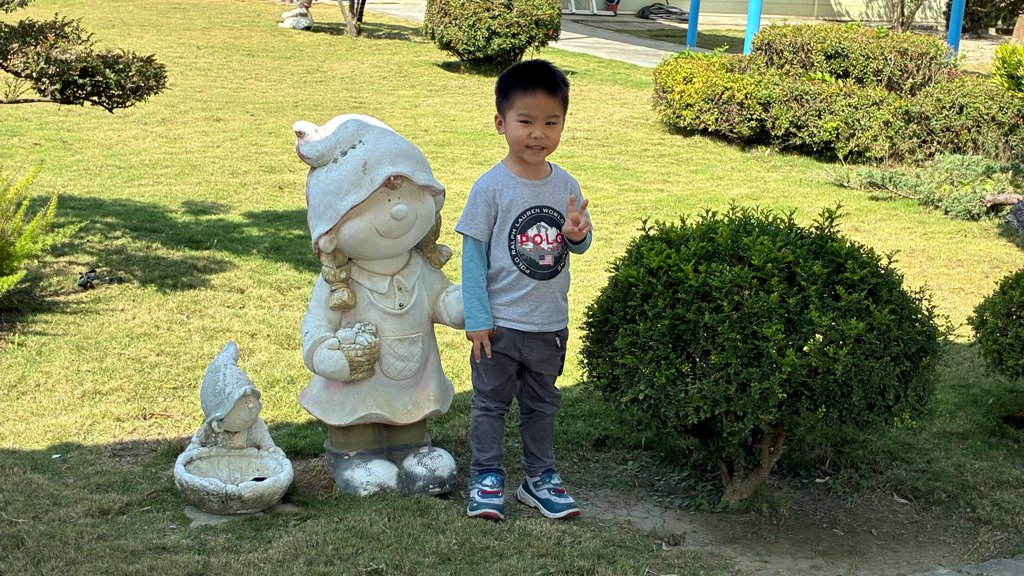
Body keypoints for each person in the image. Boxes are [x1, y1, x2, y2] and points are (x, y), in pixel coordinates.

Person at [454, 59, 593, 521]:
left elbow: (579, 241)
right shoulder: (490, 188)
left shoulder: (566, 183)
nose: (538, 134)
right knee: (490, 405)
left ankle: (538, 478)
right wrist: (478, 320)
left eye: (551, 122)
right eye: (526, 121)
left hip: (549, 325)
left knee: (542, 405)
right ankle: (486, 477)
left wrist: (577, 235)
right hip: (499, 327)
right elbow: (472, 260)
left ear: (563, 124)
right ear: (501, 123)